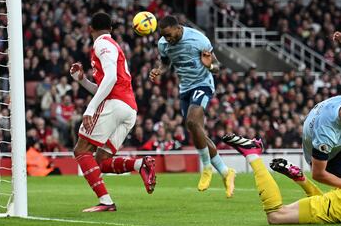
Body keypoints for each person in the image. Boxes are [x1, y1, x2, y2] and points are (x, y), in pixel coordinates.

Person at [70, 12, 156, 212]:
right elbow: (105, 84)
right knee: (101, 160)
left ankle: (106, 202)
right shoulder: (114, 46)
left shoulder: (102, 44)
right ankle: (140, 165)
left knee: (81, 150)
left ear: (90, 28)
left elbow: (110, 80)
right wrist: (81, 81)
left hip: (115, 104)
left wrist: (90, 109)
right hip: (128, 109)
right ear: (111, 28)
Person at [149, 15, 235, 198]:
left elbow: (218, 66)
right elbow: (165, 63)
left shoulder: (198, 39)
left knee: (192, 122)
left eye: (169, 35)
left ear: (178, 28)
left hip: (203, 84)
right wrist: (159, 70)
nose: (167, 39)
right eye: (164, 36)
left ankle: (206, 168)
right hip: (185, 88)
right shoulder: (163, 44)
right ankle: (226, 172)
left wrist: (209, 65)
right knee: (196, 131)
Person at [222, 133, 341, 225]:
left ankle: (301, 179)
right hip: (340, 207)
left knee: (322, 199)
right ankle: (252, 155)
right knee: (275, 216)